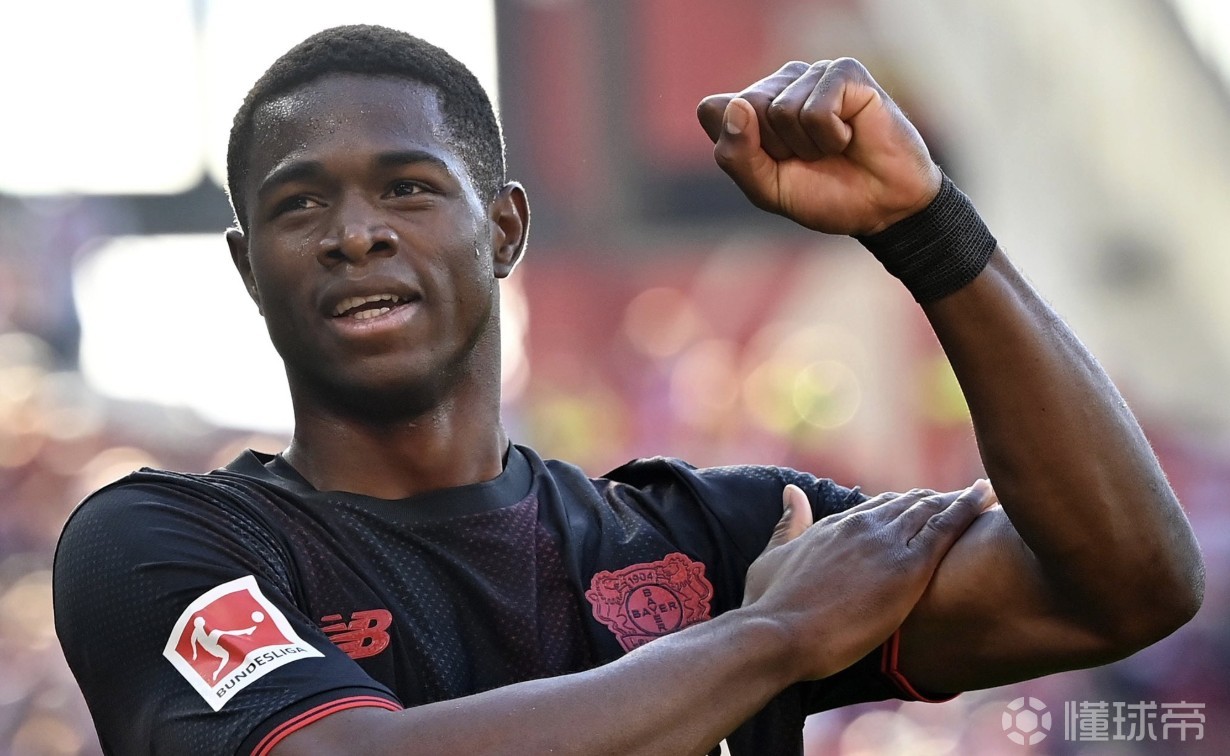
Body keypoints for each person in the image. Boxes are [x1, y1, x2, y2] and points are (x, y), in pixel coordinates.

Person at [53, 24, 1204, 756]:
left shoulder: (723, 535)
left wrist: (926, 228)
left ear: (504, 229)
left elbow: (1126, 586)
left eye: (408, 188)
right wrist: (773, 636)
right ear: (249, 267)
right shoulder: (162, 545)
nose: (356, 234)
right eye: (301, 204)